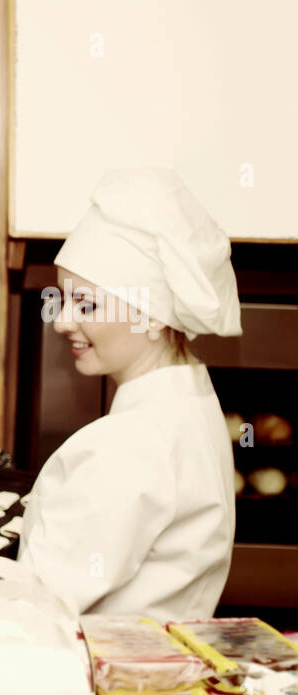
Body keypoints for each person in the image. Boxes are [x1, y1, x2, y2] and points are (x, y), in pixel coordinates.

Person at [17, 168, 241, 623]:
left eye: (87, 304)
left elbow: (36, 611)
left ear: (153, 317)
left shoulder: (128, 446)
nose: (61, 322)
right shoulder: (195, 404)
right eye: (63, 299)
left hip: (93, 680)